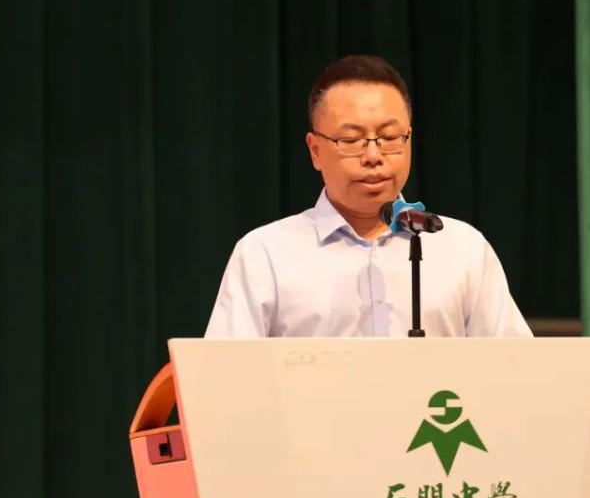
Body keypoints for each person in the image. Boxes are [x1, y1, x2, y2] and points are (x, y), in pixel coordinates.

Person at [205, 55, 531, 338]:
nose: (373, 156)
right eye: (351, 140)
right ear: (315, 151)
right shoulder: (266, 254)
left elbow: (515, 369)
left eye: (389, 137)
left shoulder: (463, 248)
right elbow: (225, 376)